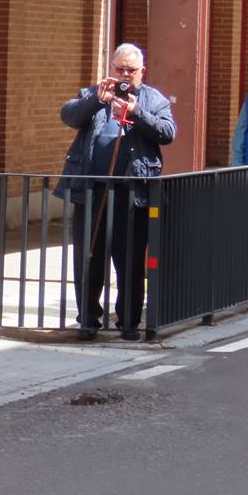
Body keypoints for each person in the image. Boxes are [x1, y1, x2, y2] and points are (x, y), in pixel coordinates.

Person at [56, 43, 175, 341]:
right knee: (89, 257)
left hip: (132, 194)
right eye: (119, 69)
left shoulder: (153, 98)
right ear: (111, 69)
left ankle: (129, 322)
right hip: (92, 191)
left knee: (130, 260)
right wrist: (97, 101)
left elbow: (168, 132)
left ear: (141, 72)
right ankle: (88, 320)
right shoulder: (94, 93)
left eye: (130, 70)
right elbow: (69, 116)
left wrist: (137, 113)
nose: (124, 75)